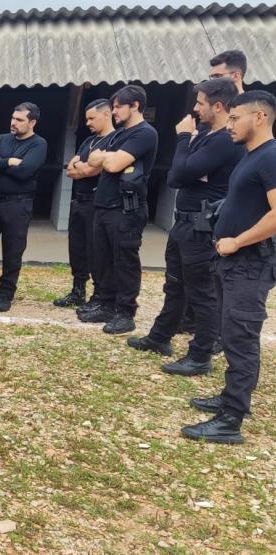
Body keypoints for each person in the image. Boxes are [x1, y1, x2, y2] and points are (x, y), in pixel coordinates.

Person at [128, 78, 243, 375]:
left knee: (201, 292)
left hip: (202, 227)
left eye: (200, 103)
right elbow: (179, 176)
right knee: (175, 284)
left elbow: (179, 174)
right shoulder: (206, 135)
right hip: (184, 223)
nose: (194, 109)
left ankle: (200, 355)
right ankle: (160, 337)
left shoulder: (222, 140)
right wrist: (189, 158)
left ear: (218, 106)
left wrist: (182, 139)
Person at [182, 90, 276, 444]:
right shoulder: (251, 156)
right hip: (232, 262)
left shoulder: (270, 157)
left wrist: (238, 240)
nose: (230, 124)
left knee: (240, 339)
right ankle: (228, 398)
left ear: (259, 118)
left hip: (250, 264)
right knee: (231, 332)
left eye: (236, 118)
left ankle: (231, 419)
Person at [79, 85, 158, 334]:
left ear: (135, 106)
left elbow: (112, 165)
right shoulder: (118, 135)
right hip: (103, 205)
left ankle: (125, 312)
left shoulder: (145, 133)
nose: (113, 112)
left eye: (117, 107)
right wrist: (105, 157)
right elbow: (92, 158)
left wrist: (105, 157)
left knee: (124, 261)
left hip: (126, 209)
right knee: (102, 259)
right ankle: (105, 303)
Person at [0, 102, 47, 312]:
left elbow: (25, 172)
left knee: (12, 252)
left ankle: (5, 294)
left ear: (32, 122)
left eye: (20, 120)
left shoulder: (38, 144)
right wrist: (10, 162)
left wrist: (1, 162)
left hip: (19, 203)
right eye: (13, 118)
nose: (14, 123)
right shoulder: (2, 139)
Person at [56, 99, 115, 308]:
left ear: (106, 114)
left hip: (96, 202)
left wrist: (84, 167)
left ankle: (98, 295)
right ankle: (77, 290)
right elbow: (71, 169)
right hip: (78, 201)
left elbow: (92, 170)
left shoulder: (114, 140)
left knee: (95, 250)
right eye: (86, 118)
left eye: (92, 118)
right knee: (77, 248)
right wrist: (84, 166)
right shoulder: (88, 141)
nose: (88, 122)